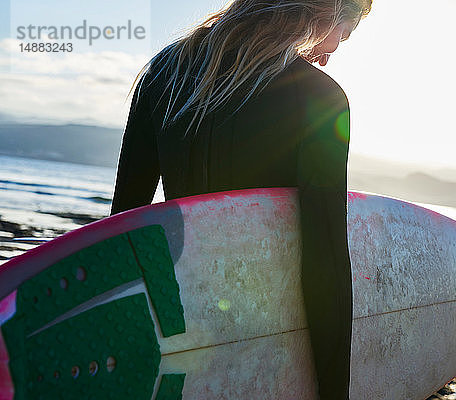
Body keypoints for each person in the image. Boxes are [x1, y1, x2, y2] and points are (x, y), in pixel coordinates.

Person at [110, 0, 372, 398]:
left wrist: (124, 350)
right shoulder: (318, 98)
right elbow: (325, 258)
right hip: (264, 334)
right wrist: (333, 390)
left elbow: (123, 225)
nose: (332, 52)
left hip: (179, 324)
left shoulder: (165, 72)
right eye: (345, 35)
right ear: (328, 13)